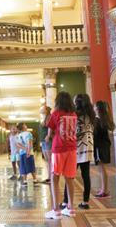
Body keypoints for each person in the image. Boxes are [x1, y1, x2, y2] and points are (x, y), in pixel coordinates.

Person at [44, 92, 78, 220]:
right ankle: (71, 208)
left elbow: (50, 131)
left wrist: (48, 137)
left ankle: (56, 210)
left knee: (55, 177)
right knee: (70, 178)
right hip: (72, 149)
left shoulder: (56, 114)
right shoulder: (74, 114)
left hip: (59, 149)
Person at [62, 94, 95, 210]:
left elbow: (73, 132)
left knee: (69, 175)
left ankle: (66, 202)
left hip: (76, 148)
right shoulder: (91, 115)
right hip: (88, 147)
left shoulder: (75, 114)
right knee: (86, 176)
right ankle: (85, 202)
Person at [94, 101, 115, 198]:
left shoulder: (97, 120)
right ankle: (104, 188)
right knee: (102, 168)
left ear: (97, 108)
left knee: (102, 169)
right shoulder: (104, 120)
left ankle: (105, 190)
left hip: (100, 146)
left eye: (94, 107)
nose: (93, 108)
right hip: (104, 145)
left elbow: (95, 135)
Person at [39, 106, 52, 184]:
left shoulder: (49, 117)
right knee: (47, 160)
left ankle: (51, 178)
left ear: (46, 110)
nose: (40, 110)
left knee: (50, 160)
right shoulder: (44, 117)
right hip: (43, 141)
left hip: (48, 140)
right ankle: (49, 177)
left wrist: (49, 135)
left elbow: (51, 127)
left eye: (42, 109)